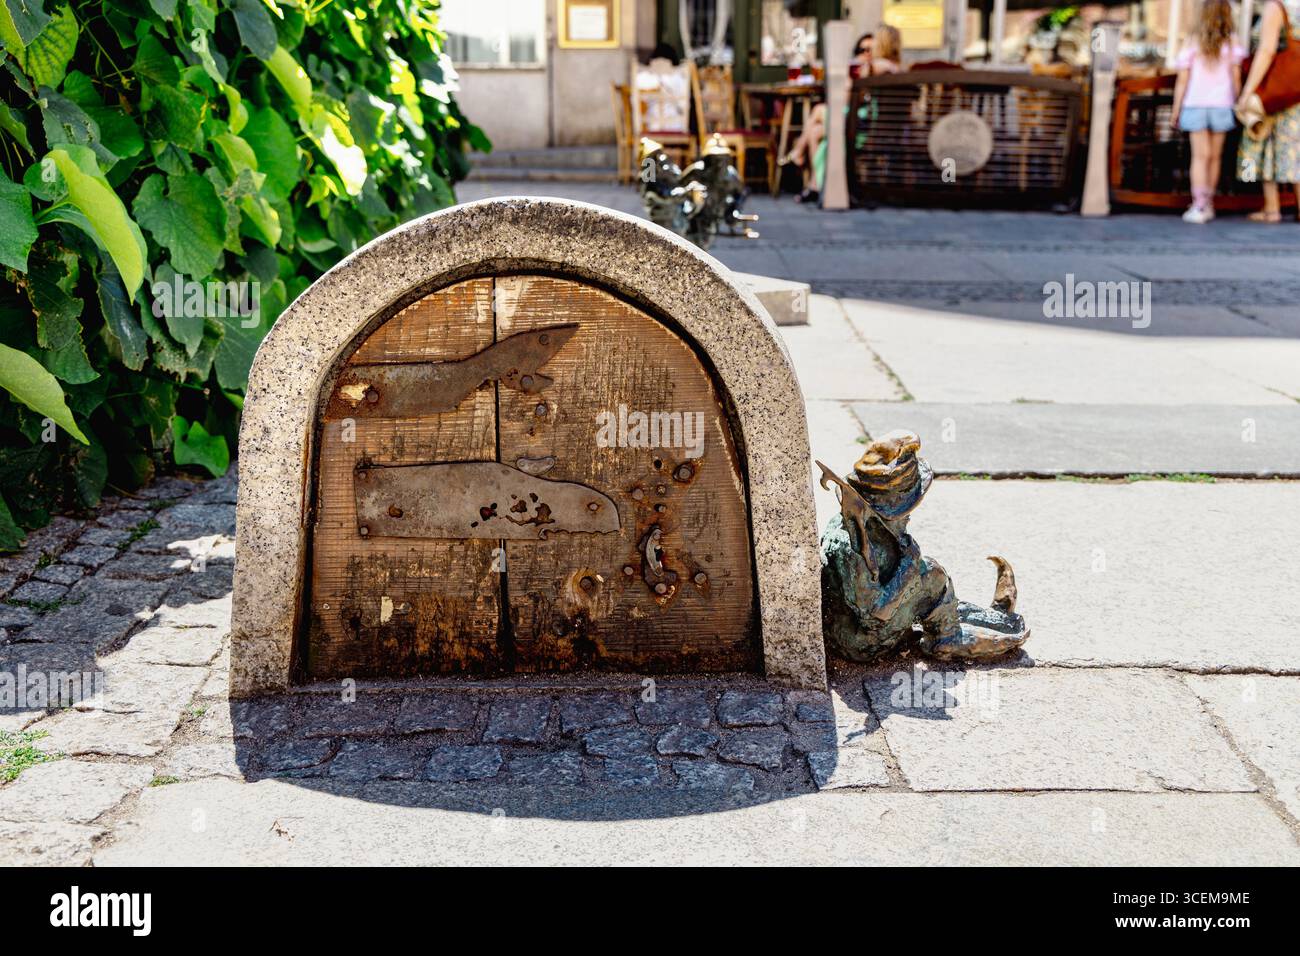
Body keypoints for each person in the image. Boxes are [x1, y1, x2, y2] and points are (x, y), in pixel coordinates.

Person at [782, 26, 900, 202]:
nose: (869, 49)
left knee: (818, 111)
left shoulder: (876, 66)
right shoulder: (897, 67)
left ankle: (799, 153)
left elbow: (846, 93)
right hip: (871, 125)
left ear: (881, 43)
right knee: (816, 132)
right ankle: (817, 186)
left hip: (863, 127)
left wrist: (855, 69)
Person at [1171, 0, 1245, 223]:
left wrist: (1176, 109)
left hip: (1195, 104)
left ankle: (1199, 205)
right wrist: (1239, 102)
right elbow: (1236, 79)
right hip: (1222, 104)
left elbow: (1182, 80)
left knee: (1199, 157)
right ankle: (1209, 204)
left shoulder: (1193, 42)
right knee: (1214, 157)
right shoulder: (1232, 43)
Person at [1237, 0, 1300, 221]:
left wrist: (1248, 91)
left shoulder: (1276, 6)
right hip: (1297, 90)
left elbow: (1266, 51)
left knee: (1260, 140)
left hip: (1276, 89)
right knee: (1293, 147)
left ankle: (1272, 208)